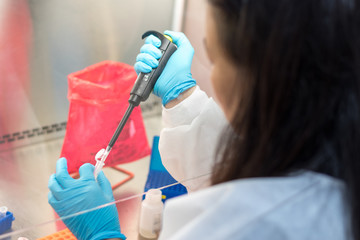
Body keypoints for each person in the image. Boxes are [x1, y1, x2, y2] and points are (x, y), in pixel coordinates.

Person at [48, 0, 360, 239]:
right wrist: (179, 96)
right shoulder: (334, 160)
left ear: (263, 78)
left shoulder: (249, 226)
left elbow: (245, 206)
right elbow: (244, 176)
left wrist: (102, 234)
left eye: (213, 57)